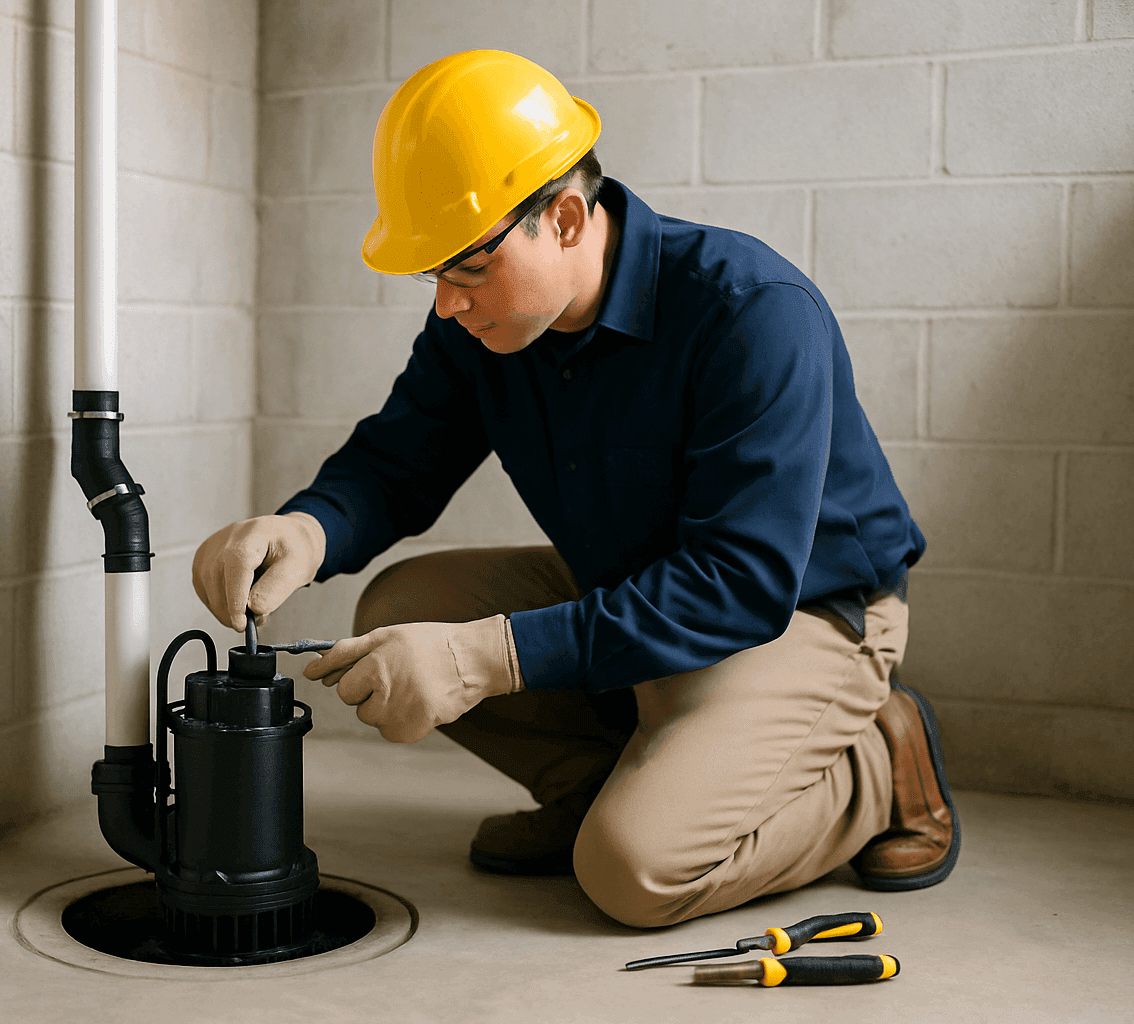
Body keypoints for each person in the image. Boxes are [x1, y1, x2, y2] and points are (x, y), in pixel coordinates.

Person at [192, 49, 957, 927]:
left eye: (466, 268)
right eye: (430, 274)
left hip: (798, 615)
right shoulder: (483, 326)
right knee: (402, 605)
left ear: (562, 218)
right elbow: (397, 461)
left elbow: (740, 583)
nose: (445, 303)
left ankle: (878, 771)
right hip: (635, 587)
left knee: (633, 872)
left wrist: (486, 656)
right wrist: (306, 531)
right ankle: (603, 788)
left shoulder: (752, 311)